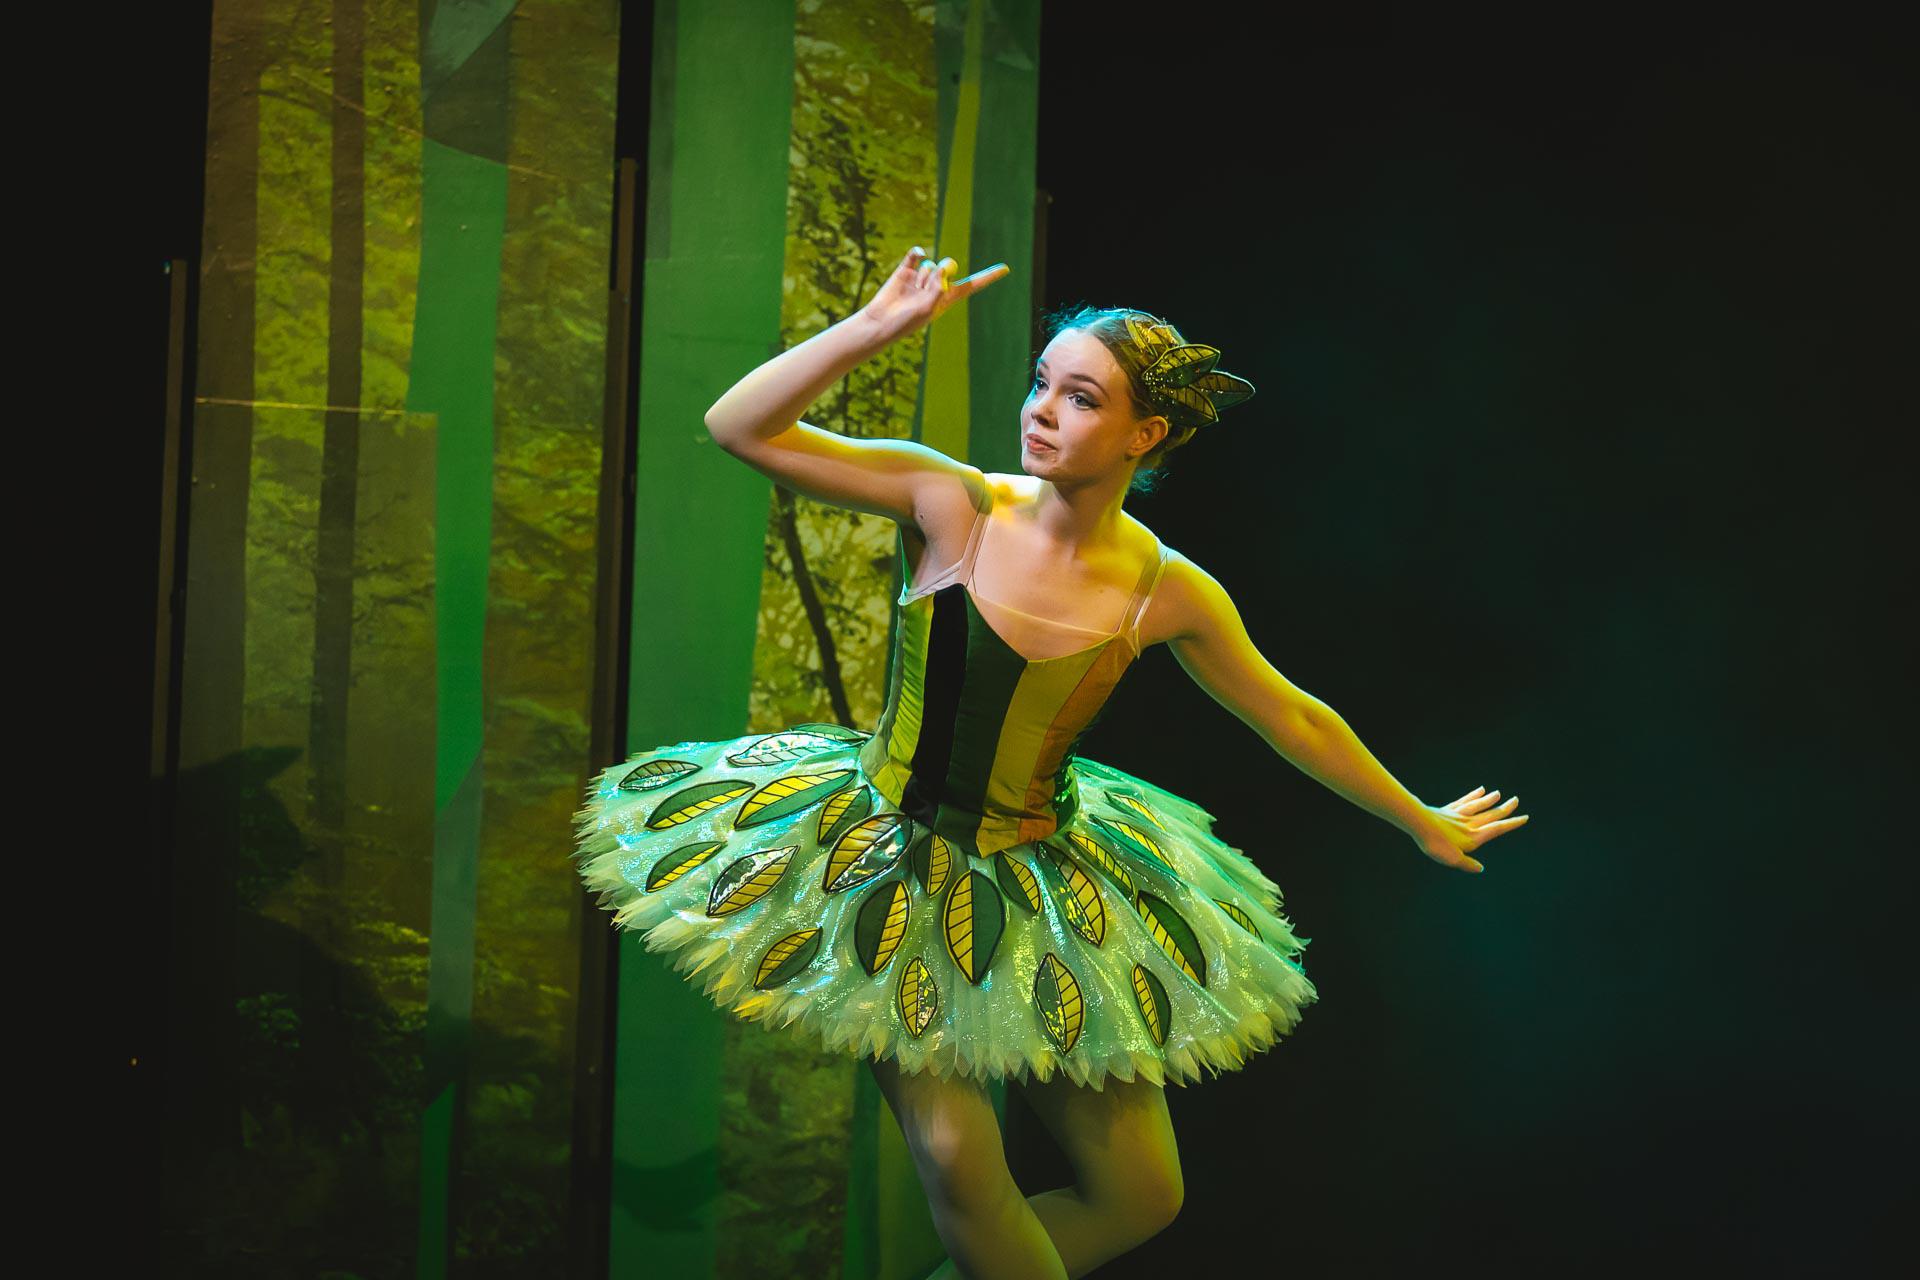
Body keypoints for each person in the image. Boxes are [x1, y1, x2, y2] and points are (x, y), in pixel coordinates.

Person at [574, 246, 1530, 1278]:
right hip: (888, 856)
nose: (1040, 409)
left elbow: (1293, 715)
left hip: (1042, 871)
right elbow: (737, 427)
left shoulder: (1169, 588)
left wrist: (1416, 815)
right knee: (954, 1151)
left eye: (1078, 397)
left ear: (1143, 435)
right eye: (1040, 383)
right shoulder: (956, 503)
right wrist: (873, 330)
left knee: (1145, 1191)